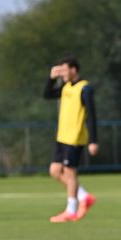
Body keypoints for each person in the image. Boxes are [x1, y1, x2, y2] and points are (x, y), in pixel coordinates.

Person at [43, 55, 98, 222]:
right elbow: (47, 94)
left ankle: (71, 209)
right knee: (54, 171)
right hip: (62, 136)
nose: (63, 74)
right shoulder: (66, 87)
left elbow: (92, 116)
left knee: (69, 172)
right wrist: (51, 79)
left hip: (75, 137)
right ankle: (84, 196)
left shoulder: (84, 89)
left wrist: (94, 140)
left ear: (74, 70)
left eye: (65, 70)